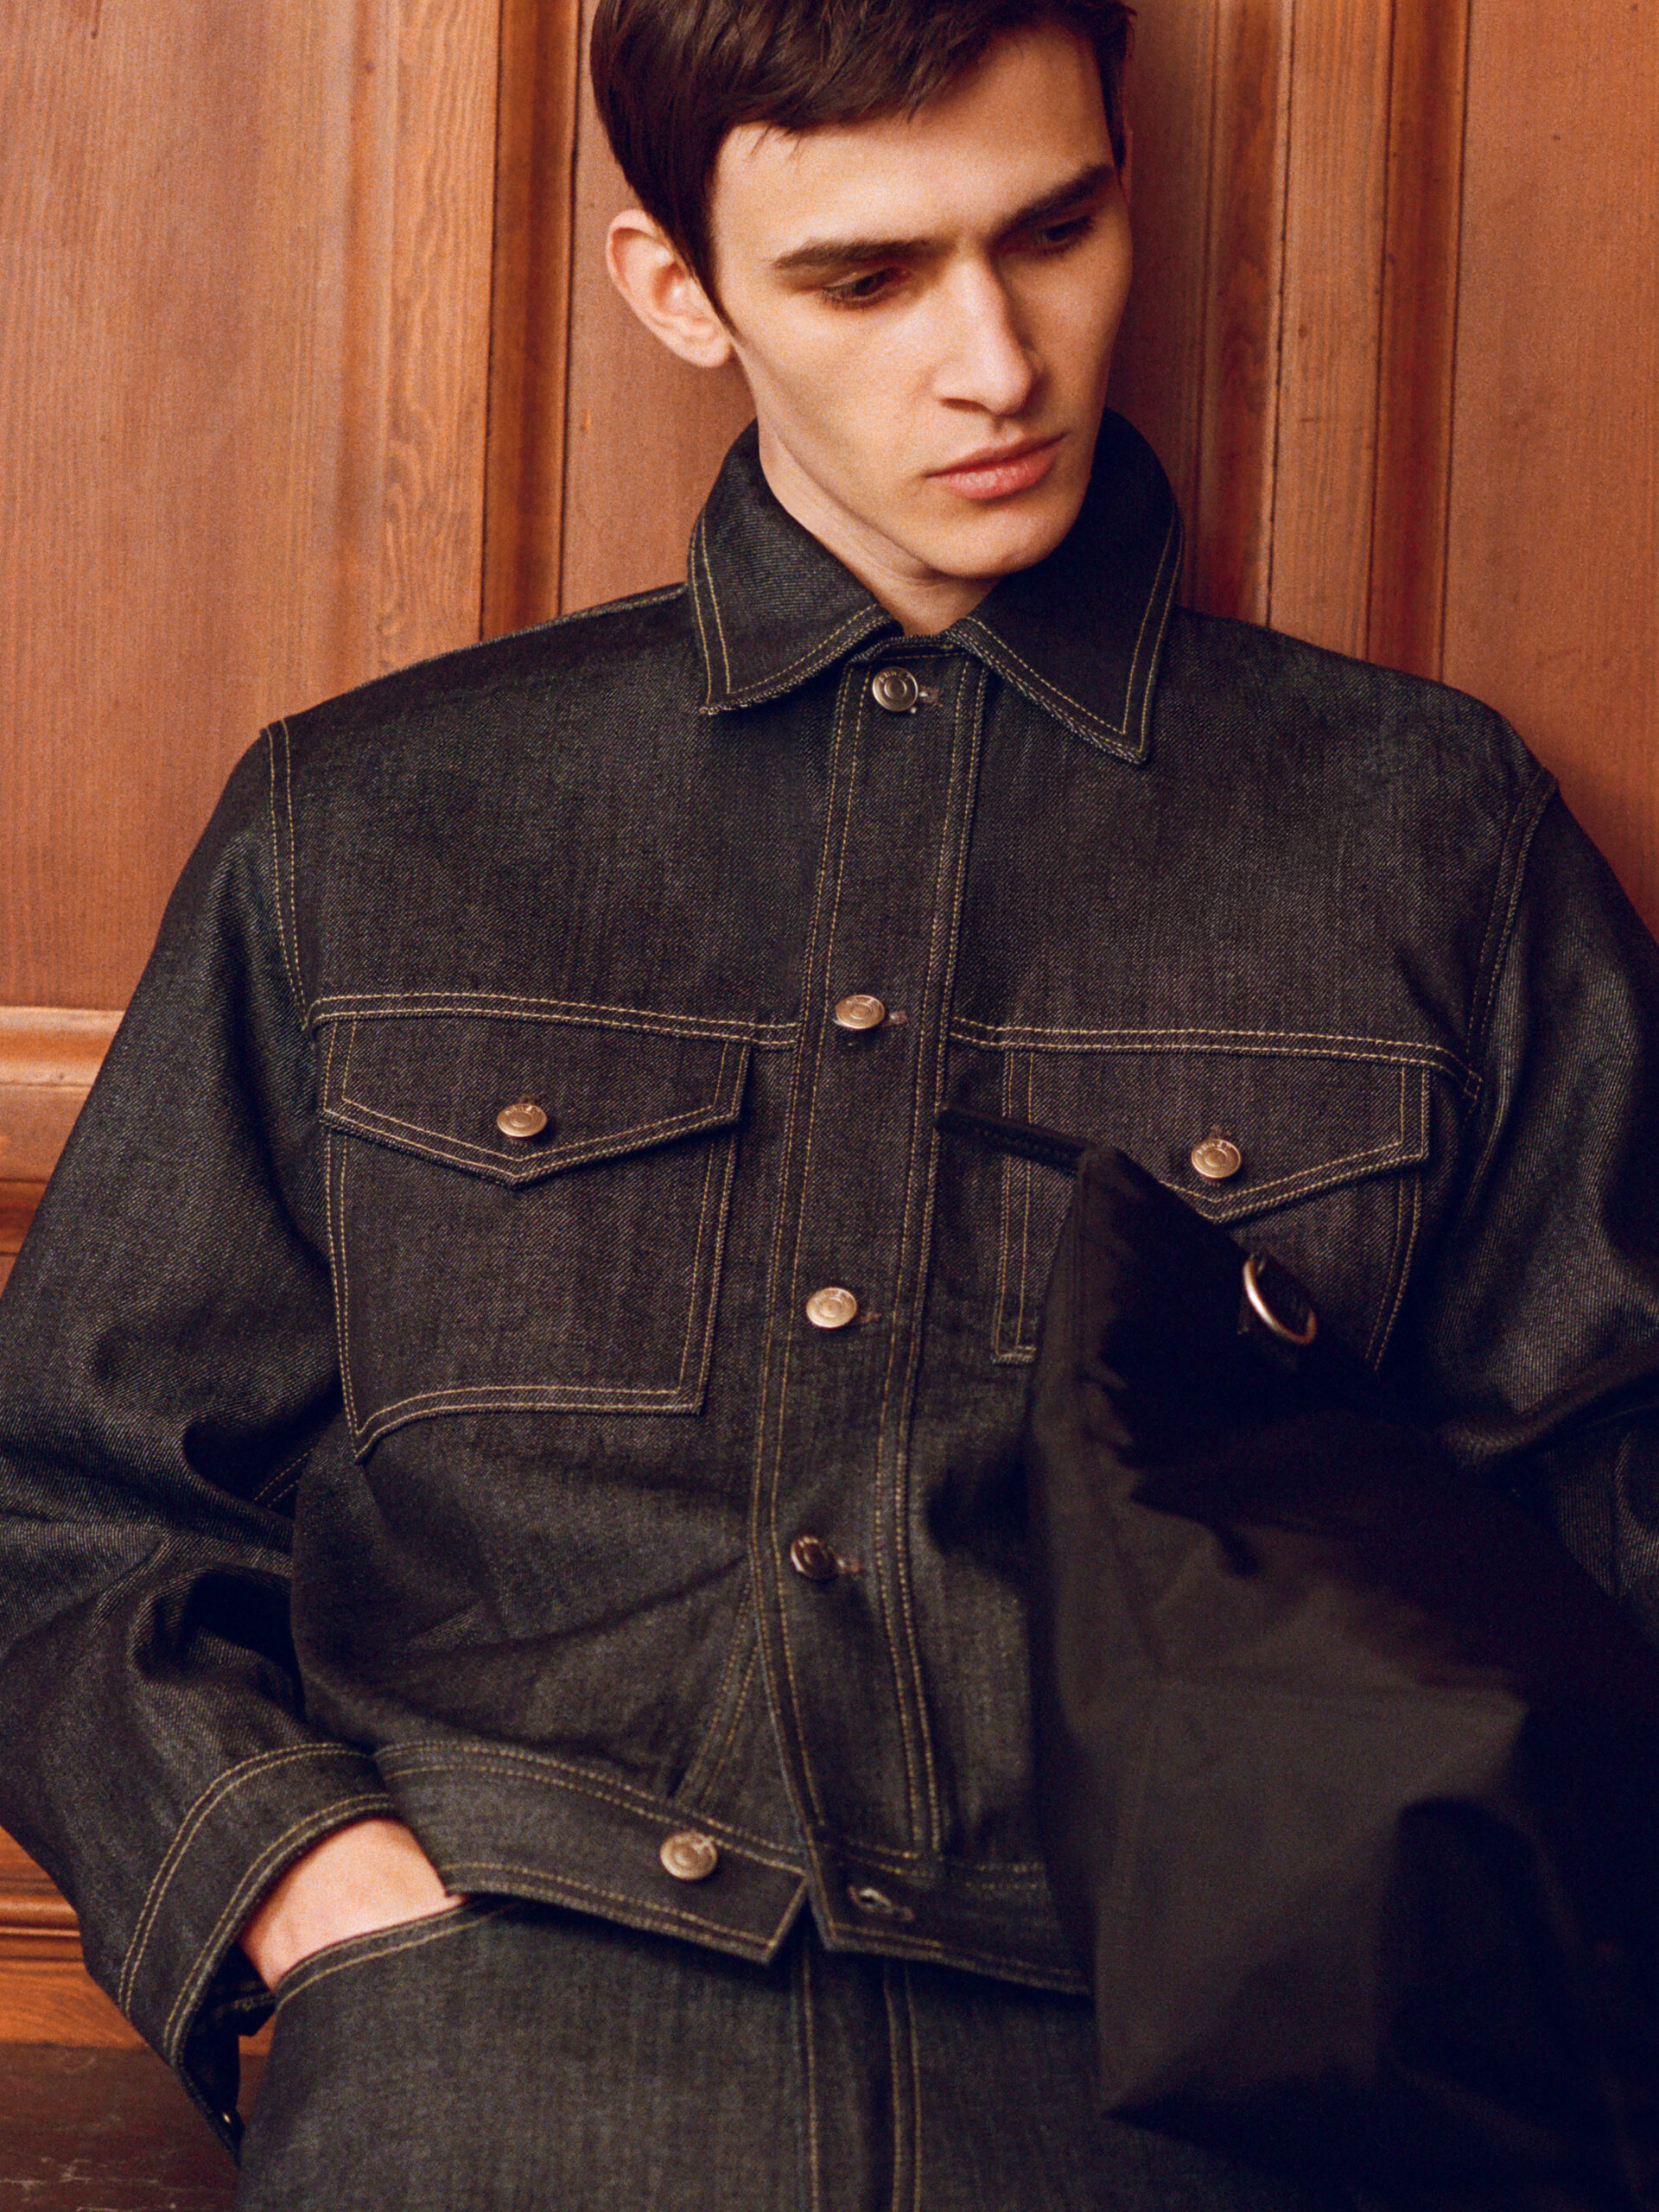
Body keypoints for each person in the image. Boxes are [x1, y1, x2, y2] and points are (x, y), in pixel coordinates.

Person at [0, 0, 1656, 2204]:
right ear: (675, 287)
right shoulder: (369, 822)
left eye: (1052, 232)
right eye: (866, 277)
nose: (997, 362)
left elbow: (1613, 1524)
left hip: (1193, 2093)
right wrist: (299, 1888)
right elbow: (67, 1499)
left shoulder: (1430, 829)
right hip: (501, 2054)